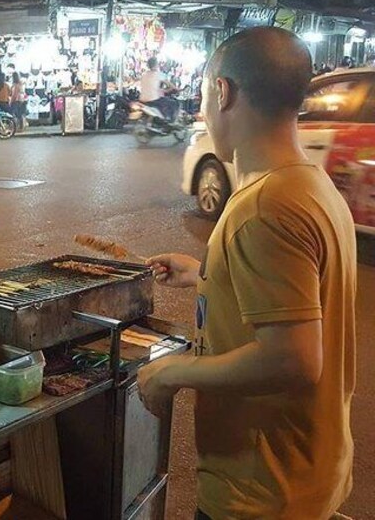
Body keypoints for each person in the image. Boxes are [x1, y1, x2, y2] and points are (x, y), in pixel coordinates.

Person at [138, 27, 356, 519]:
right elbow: (302, 294)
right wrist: (206, 275)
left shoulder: (265, 208)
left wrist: (174, 372)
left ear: (223, 92)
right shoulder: (311, 185)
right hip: (308, 472)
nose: (203, 111)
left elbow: (294, 359)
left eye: (202, 95)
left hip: (262, 491)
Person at [139, 56, 178, 121]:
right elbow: (172, 86)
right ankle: (170, 122)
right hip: (153, 101)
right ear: (156, 64)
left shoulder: (143, 75)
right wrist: (177, 89)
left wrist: (162, 90)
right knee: (174, 103)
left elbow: (149, 87)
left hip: (142, 100)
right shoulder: (159, 74)